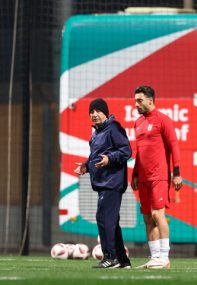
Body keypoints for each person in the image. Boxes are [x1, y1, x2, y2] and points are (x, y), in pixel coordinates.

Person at [74, 98, 132, 268]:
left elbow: (126, 151)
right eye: (91, 112)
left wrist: (109, 159)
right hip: (104, 183)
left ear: (105, 113)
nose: (94, 114)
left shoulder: (113, 128)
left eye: (97, 111)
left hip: (112, 183)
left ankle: (111, 258)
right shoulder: (97, 133)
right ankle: (122, 260)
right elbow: (97, 157)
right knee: (111, 222)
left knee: (105, 219)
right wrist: (86, 166)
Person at [131, 86, 183, 269]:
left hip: (159, 176)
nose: (136, 104)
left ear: (150, 100)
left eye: (139, 100)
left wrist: (176, 173)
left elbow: (174, 146)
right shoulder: (138, 123)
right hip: (143, 178)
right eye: (135, 100)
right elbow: (139, 152)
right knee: (147, 218)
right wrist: (135, 173)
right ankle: (155, 258)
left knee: (157, 214)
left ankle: (165, 258)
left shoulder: (163, 120)